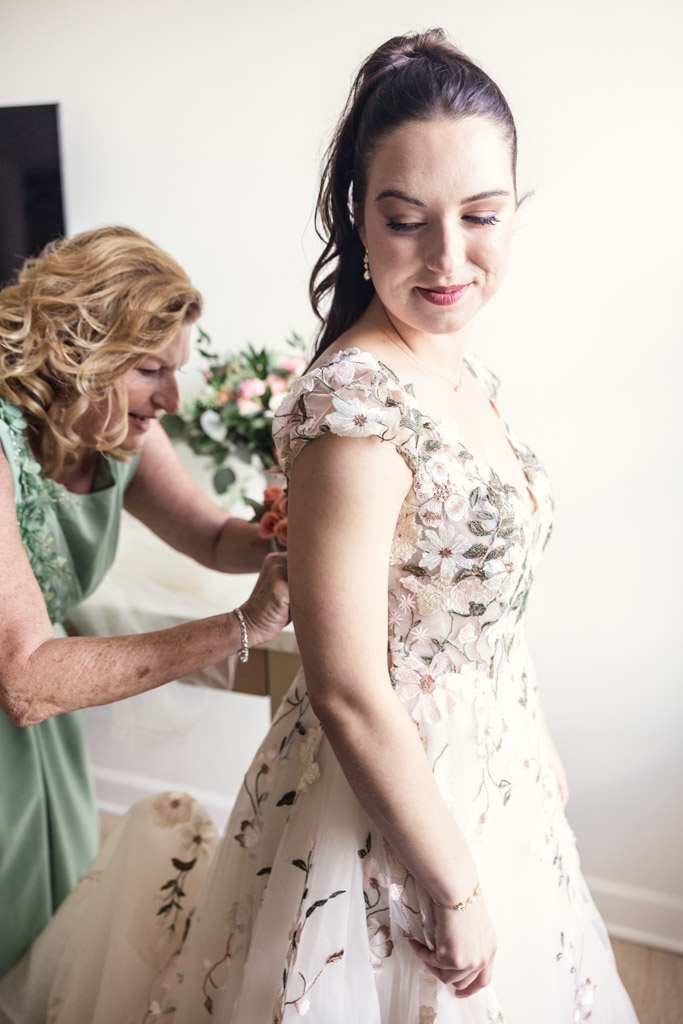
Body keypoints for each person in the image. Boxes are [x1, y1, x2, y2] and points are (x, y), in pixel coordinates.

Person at [0, 31, 639, 1024]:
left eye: (480, 214)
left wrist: (523, 724)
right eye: (405, 219)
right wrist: (455, 886)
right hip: (358, 785)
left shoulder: (454, 368)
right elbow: (341, 687)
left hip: (483, 770)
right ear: (357, 216)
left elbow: (230, 535)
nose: (446, 256)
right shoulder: (356, 398)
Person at [0, 226, 289, 980]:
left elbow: (212, 538)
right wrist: (241, 626)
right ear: (76, 350)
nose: (171, 397)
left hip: (38, 743)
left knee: (45, 934)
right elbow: (27, 679)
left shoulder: (117, 428)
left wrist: (288, 532)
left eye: (177, 369)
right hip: (23, 693)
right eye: (151, 369)